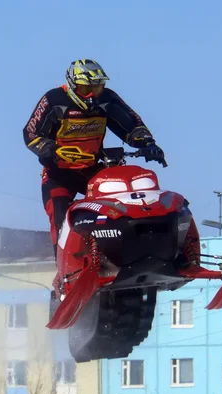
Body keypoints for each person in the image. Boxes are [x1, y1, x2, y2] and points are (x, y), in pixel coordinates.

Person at [23, 59, 166, 258]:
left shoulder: (107, 99)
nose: (92, 95)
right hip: (59, 172)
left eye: (97, 88)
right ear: (72, 85)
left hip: (94, 168)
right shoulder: (54, 99)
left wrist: (147, 143)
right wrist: (52, 150)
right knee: (60, 216)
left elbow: (132, 124)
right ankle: (65, 271)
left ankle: (133, 249)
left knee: (124, 198)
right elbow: (30, 134)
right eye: (85, 89)